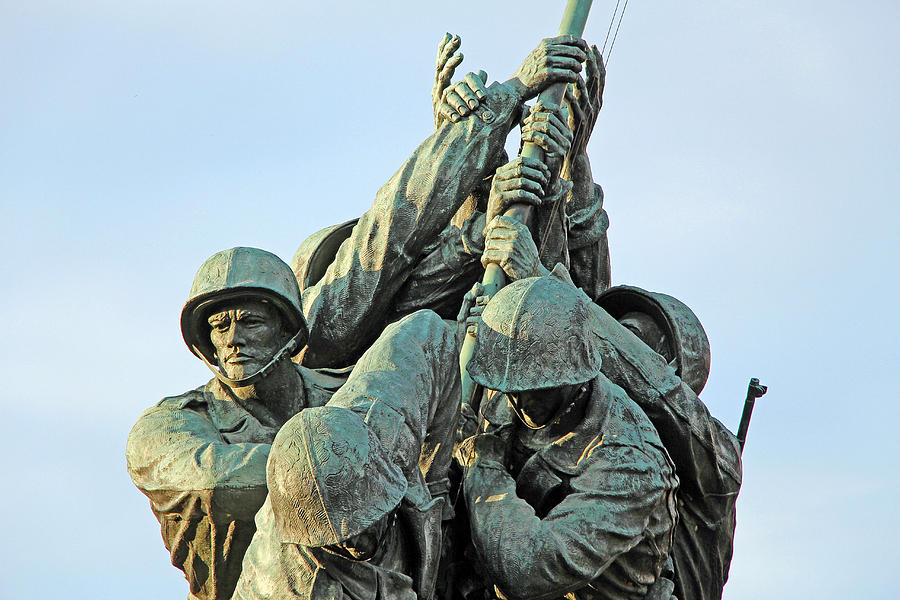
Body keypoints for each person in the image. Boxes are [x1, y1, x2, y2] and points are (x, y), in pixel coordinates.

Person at [293, 35, 610, 370]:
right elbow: (393, 233)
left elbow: (588, 316)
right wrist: (472, 127)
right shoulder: (321, 328)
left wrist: (568, 164)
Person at [126, 247, 350, 600]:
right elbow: (215, 481)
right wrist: (345, 462)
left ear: (286, 331)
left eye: (250, 322)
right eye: (219, 327)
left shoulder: (343, 392)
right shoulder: (169, 424)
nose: (233, 340)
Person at [457, 266, 679, 600]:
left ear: (577, 374)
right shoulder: (513, 383)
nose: (520, 400)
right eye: (508, 388)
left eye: (538, 388)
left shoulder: (631, 463)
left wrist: (483, 467)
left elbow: (529, 570)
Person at [235, 309, 460, 600]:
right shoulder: (279, 582)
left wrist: (436, 479)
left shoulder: (387, 416)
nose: (355, 544)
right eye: (337, 541)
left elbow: (432, 332)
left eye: (363, 523)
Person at [593, 286, 743, 600]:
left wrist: (572, 308)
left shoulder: (719, 454)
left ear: (670, 366)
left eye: (628, 336)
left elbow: (655, 388)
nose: (609, 345)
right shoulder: (595, 443)